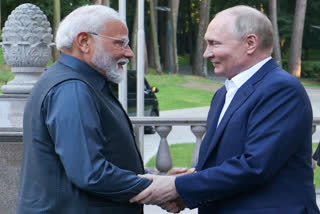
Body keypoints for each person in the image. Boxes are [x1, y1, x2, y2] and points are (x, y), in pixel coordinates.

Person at [130, 5, 320, 214]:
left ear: (250, 43)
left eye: (214, 43)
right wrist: (189, 182)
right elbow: (226, 159)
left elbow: (255, 166)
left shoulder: (282, 89)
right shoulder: (223, 94)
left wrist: (176, 187)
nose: (206, 53)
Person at [17, 5, 152, 214]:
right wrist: (155, 187)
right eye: (120, 43)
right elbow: (90, 173)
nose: (129, 52)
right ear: (84, 42)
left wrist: (156, 178)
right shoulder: (73, 89)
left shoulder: (74, 82)